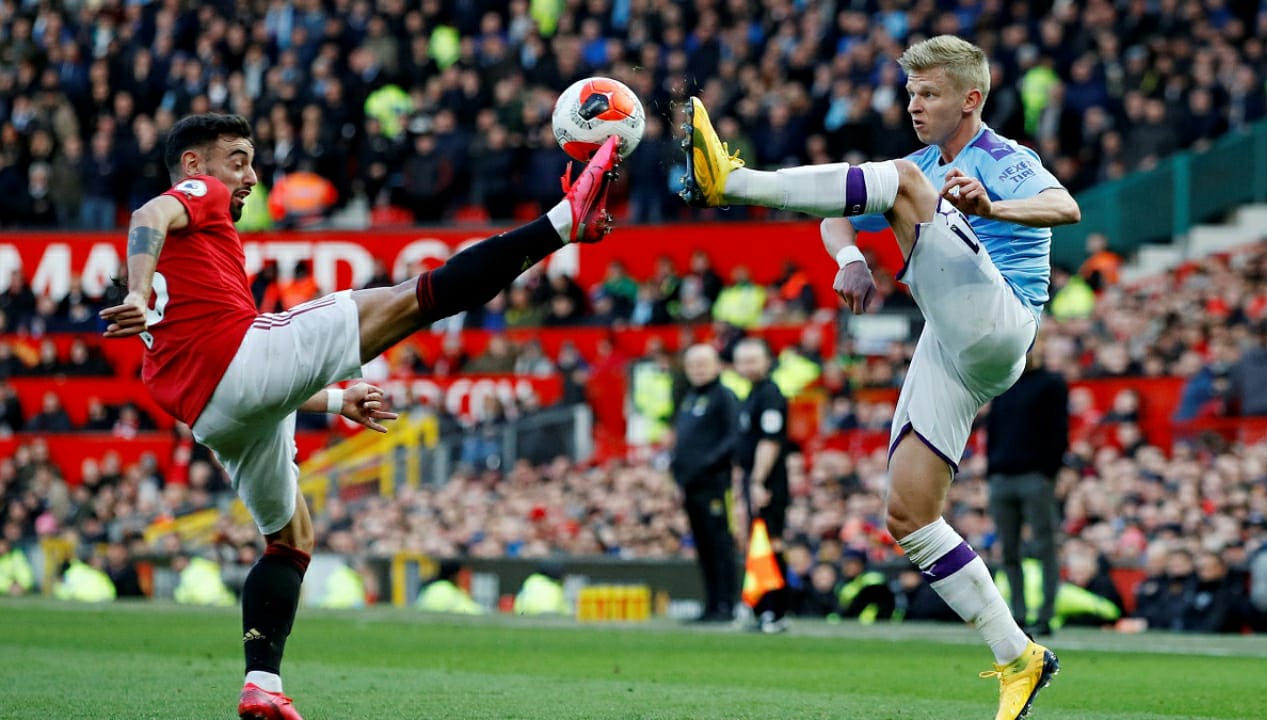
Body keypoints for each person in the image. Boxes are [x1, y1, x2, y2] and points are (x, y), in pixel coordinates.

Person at [99, 113, 621, 720]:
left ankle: (261, 683)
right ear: (195, 165)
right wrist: (135, 290)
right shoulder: (199, 193)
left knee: (291, 540)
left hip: (215, 414)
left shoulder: (183, 289)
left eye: (251, 163)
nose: (250, 177)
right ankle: (561, 224)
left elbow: (250, 390)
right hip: (237, 354)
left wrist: (333, 400)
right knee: (413, 299)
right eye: (238, 160)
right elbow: (149, 214)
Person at [681, 35, 1079, 720]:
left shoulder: (1004, 158)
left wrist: (991, 207)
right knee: (909, 514)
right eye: (911, 92)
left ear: (970, 99)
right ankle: (1019, 656)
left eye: (929, 94)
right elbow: (836, 215)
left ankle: (732, 183)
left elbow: (1065, 206)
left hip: (1003, 319)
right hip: (953, 340)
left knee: (901, 182)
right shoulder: (917, 167)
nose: (913, 105)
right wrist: (849, 260)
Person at [986, 340, 1068, 637]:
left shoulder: (1051, 383)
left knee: (1045, 546)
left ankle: (1046, 614)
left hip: (1034, 476)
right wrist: (991, 470)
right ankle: (1017, 615)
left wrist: (1048, 472)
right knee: (1009, 549)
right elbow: (993, 430)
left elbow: (1059, 430)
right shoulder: (1005, 383)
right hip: (1002, 476)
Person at [670, 343, 739, 622]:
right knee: (703, 545)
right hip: (691, 485)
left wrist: (707, 463)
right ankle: (711, 603)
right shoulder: (689, 398)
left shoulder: (724, 396)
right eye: (693, 365)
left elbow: (733, 437)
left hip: (714, 484)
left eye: (703, 364)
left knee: (720, 544)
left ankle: (726, 605)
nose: (698, 370)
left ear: (717, 366)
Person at [733, 338, 792, 633]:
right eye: (742, 361)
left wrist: (758, 480)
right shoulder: (753, 394)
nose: (748, 366)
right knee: (758, 542)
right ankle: (761, 608)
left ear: (767, 361)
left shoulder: (770, 394)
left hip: (769, 480)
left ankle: (775, 611)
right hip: (753, 478)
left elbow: (771, 441)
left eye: (753, 360)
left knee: (771, 542)